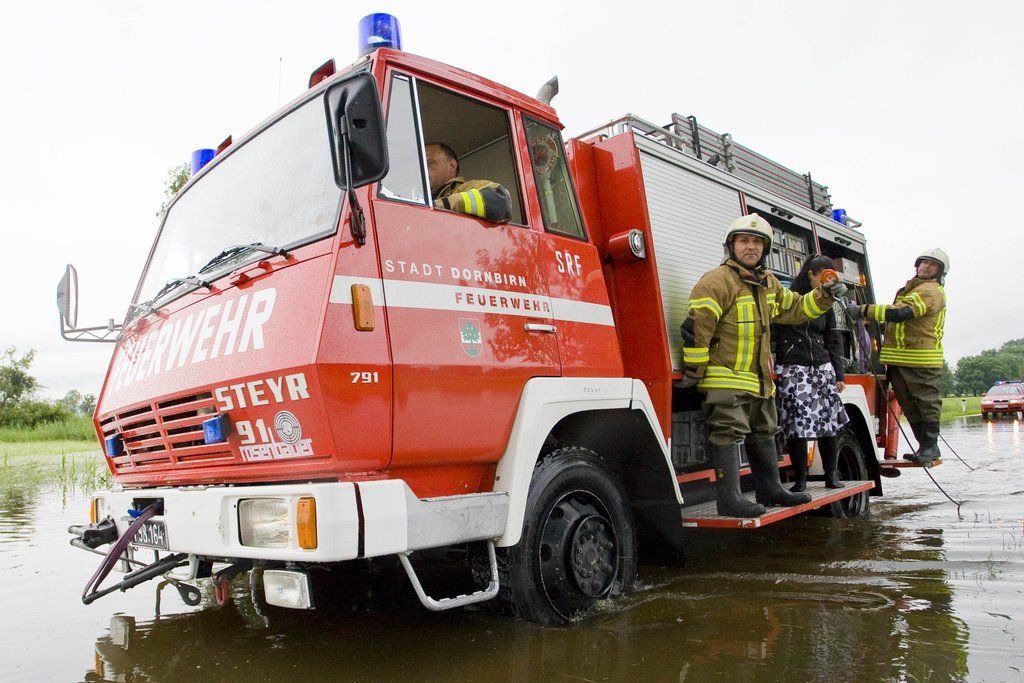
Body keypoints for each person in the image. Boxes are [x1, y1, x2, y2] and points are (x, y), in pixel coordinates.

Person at [681, 214, 847, 518]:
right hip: (726, 377)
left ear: (765, 249)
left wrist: (824, 295)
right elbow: (697, 328)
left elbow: (797, 308)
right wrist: (695, 372)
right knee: (728, 433)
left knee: (765, 430)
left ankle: (770, 489)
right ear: (731, 245)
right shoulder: (717, 281)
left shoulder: (768, 283)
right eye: (744, 241)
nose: (751, 247)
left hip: (758, 379)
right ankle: (729, 499)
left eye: (757, 242)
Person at [847, 248, 949, 464]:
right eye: (924, 262)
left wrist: (863, 310)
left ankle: (930, 447)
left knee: (925, 403)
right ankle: (924, 447)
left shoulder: (930, 291)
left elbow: (901, 313)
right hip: (900, 359)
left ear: (939, 272)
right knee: (910, 404)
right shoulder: (911, 290)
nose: (926, 266)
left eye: (932, 264)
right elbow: (899, 322)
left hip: (920, 360)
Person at [772, 255, 850, 492]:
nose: (826, 284)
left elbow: (833, 339)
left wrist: (839, 374)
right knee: (797, 426)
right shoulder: (789, 299)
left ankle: (831, 475)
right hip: (793, 367)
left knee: (829, 425)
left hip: (821, 367)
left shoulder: (826, 304)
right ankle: (800, 479)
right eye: (823, 278)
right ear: (810, 275)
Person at [426, 142, 512, 223]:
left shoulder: (470, 187)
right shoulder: (422, 197)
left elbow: (501, 200)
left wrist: (440, 205)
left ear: (451, 167)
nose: (423, 170)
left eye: (429, 163)